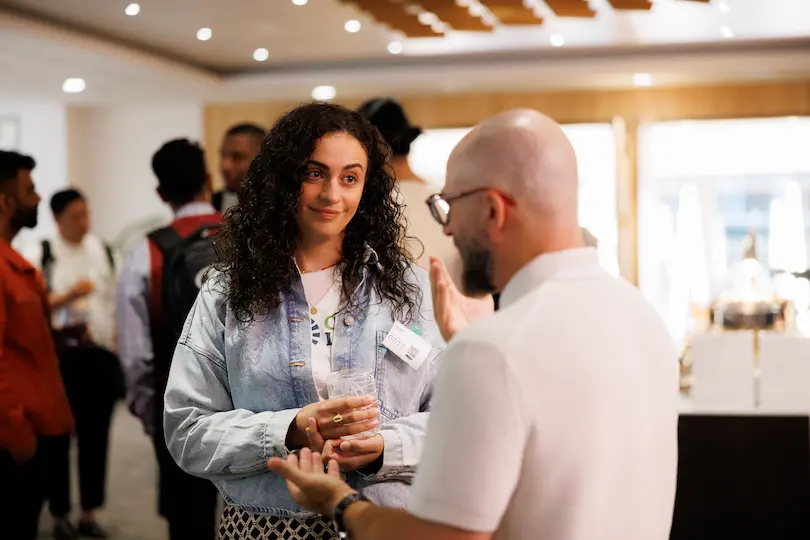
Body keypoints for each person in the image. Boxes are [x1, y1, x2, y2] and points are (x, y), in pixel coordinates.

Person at [267, 109, 680, 540]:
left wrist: (337, 500)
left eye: (449, 205)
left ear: (491, 209)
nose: (447, 229)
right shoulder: (641, 315)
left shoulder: (494, 350)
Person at [162, 102, 446, 540]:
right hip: (267, 526)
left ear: (366, 188)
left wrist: (383, 448)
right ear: (283, 180)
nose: (333, 194)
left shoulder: (409, 290)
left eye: (350, 178)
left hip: (383, 524)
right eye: (315, 173)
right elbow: (187, 429)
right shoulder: (226, 291)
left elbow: (457, 420)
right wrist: (290, 429)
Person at [116, 139, 220, 540]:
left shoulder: (146, 251)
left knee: (188, 518)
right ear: (207, 181)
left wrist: (148, 410)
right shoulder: (250, 237)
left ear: (161, 192)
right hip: (254, 404)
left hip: (179, 402)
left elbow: (135, 352)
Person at [23, 189, 121, 539]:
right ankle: (60, 511)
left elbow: (116, 303)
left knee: (97, 439)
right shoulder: (41, 254)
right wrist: (68, 295)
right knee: (57, 439)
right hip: (59, 360)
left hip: (99, 358)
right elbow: (30, 307)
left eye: (86, 213)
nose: (84, 222)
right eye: (75, 216)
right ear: (57, 219)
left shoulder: (104, 250)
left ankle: (89, 512)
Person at [0, 151, 74, 540]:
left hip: (31, 431)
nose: (39, 197)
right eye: (29, 190)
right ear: (4, 200)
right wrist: (16, 435)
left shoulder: (13, 262)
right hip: (13, 440)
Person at [213, 123, 265, 213]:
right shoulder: (211, 205)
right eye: (223, 155)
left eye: (238, 157)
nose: (225, 166)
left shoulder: (279, 206)